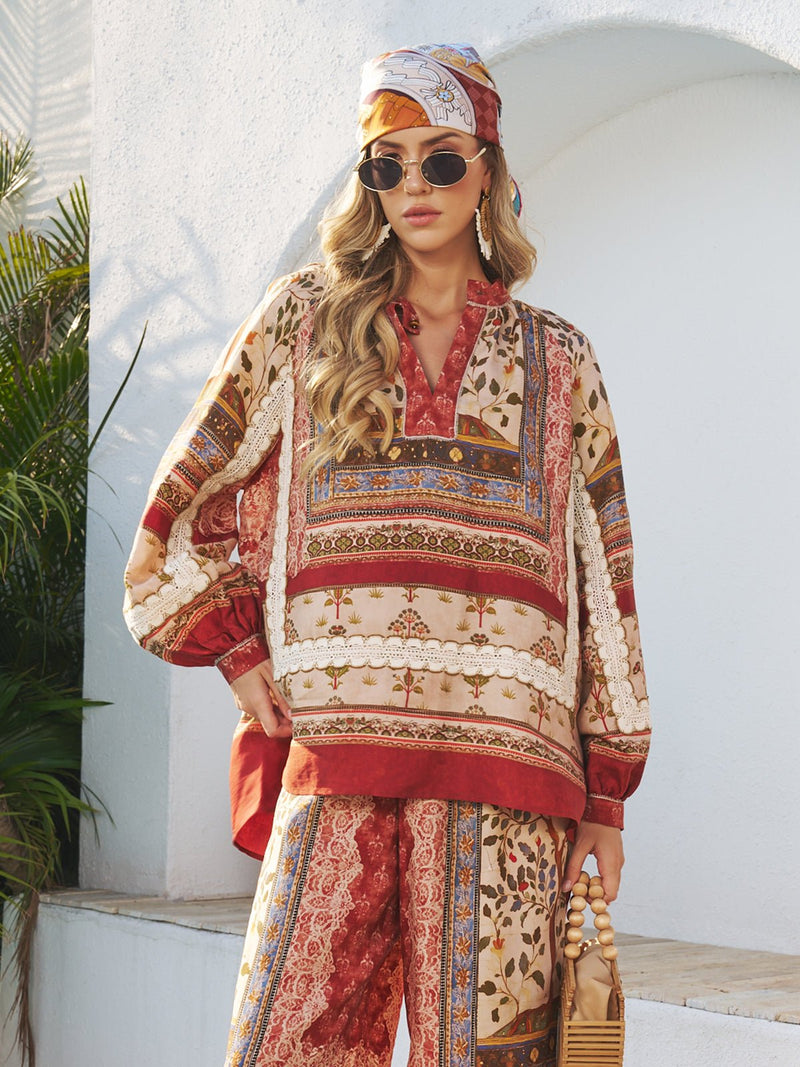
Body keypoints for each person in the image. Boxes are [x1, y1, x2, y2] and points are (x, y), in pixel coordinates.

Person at [123, 43, 650, 1067]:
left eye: (441, 160)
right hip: (338, 761)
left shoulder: (560, 357)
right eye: (386, 164)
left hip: (509, 783)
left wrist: (607, 796)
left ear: (487, 168)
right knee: (283, 1047)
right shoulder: (301, 324)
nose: (414, 185)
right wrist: (238, 653)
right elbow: (180, 507)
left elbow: (605, 580)